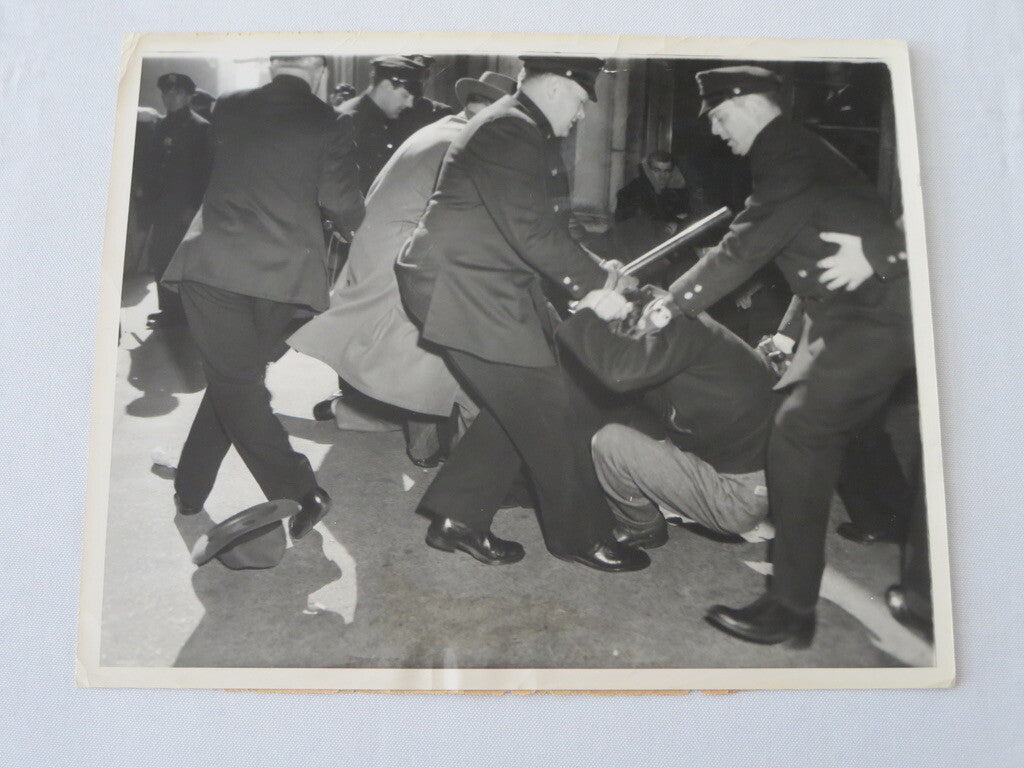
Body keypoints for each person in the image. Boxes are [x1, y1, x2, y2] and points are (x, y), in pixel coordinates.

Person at [667, 66, 913, 647]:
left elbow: (745, 247)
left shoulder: (786, 153)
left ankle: (791, 610)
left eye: (722, 117)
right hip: (846, 316)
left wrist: (671, 305)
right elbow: (800, 246)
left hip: (878, 317)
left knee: (799, 432)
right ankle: (863, 538)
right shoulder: (793, 150)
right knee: (819, 424)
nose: (719, 131)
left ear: (751, 105)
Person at [395, 55, 649, 573]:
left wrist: (600, 269)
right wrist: (596, 289)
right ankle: (582, 536)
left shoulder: (519, 128)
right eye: (580, 101)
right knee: (549, 406)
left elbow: (543, 226)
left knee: (526, 401)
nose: (581, 115)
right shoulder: (510, 131)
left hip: (487, 283)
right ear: (558, 87)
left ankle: (457, 519)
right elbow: (531, 233)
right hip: (464, 289)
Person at [160, 54, 364, 540]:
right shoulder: (330, 120)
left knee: (235, 383)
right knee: (238, 381)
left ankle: (288, 489)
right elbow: (341, 204)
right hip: (284, 281)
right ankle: (204, 489)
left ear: (275, 65)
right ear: (317, 69)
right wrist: (348, 219)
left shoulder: (228, 106)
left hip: (215, 265)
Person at [288, 71, 517, 467]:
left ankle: (355, 414)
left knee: (411, 358)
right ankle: (443, 459)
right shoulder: (463, 144)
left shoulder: (444, 128)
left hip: (381, 251)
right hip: (398, 261)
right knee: (444, 353)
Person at [555, 287, 778, 549]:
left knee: (609, 442)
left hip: (738, 497)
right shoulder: (688, 328)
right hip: (757, 473)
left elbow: (618, 373)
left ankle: (642, 528)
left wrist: (586, 316)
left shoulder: (685, 333)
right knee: (628, 421)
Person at [138, 73, 212, 328]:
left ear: (190, 96)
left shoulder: (200, 128)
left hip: (186, 211)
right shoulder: (159, 126)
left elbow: (204, 174)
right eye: (166, 93)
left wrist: (194, 210)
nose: (170, 98)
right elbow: (150, 168)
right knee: (161, 259)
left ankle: (185, 315)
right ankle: (168, 311)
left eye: (177, 93)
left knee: (185, 263)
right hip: (161, 209)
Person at [336, 56, 427, 194]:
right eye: (404, 96)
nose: (409, 104)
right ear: (385, 85)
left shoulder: (383, 119)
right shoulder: (349, 121)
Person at [615, 150, 690, 228]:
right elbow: (632, 226)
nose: (662, 176)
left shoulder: (676, 193)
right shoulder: (631, 193)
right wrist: (675, 220)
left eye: (667, 171)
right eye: (657, 171)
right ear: (648, 171)